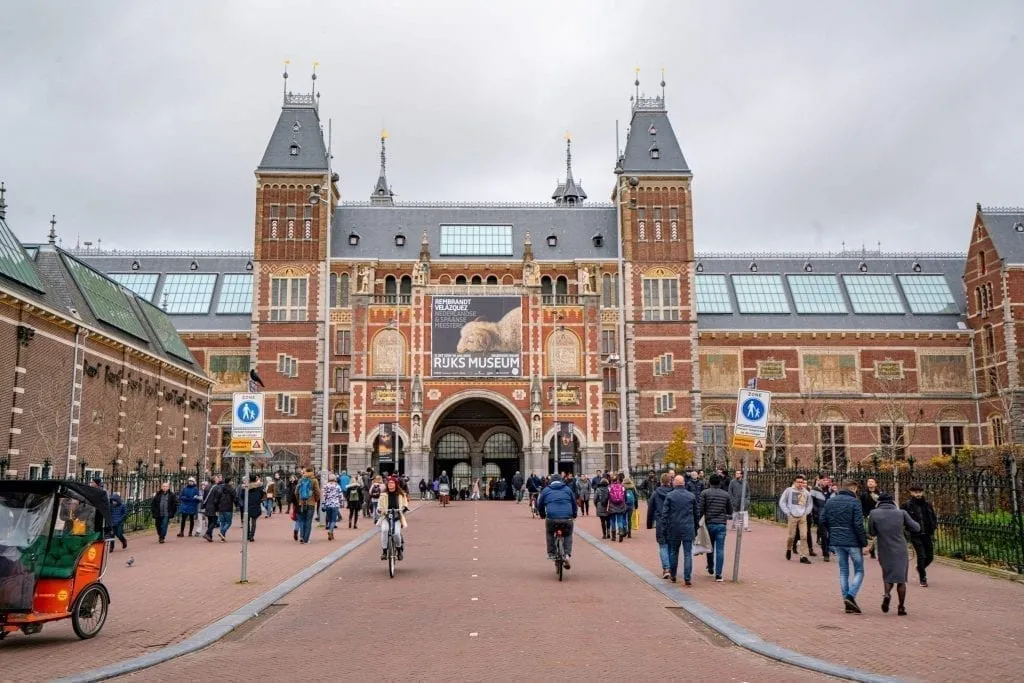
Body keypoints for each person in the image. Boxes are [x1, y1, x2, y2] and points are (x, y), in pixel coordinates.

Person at [820, 479, 868, 614]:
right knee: (859, 570)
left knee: (843, 571)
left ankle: (847, 601)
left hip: (837, 540)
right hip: (852, 541)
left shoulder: (830, 501)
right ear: (853, 488)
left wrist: (832, 531)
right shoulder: (855, 502)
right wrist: (863, 542)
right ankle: (850, 596)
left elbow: (822, 520)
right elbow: (858, 524)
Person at [868, 493, 920, 616]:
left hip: (884, 549)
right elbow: (916, 528)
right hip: (900, 549)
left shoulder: (874, 513)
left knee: (888, 575)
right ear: (892, 502)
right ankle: (901, 607)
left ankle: (887, 594)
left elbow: (871, 532)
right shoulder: (901, 513)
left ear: (879, 502)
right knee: (901, 580)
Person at [659, 475, 699, 585]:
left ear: (674, 483)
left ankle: (673, 575)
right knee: (687, 553)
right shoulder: (691, 496)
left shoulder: (670, 496)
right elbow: (696, 513)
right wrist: (696, 527)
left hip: (674, 527)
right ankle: (687, 577)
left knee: (674, 552)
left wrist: (664, 528)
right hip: (688, 527)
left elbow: (665, 514)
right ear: (684, 483)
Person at [536, 474, 578, 569]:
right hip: (567, 517)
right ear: (561, 480)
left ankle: (551, 553)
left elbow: (540, 504)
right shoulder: (567, 489)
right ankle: (567, 555)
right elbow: (574, 503)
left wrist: (542, 515)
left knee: (550, 533)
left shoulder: (546, 490)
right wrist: (574, 514)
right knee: (567, 534)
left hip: (552, 518)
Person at [902, 483, 938, 587]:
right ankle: (923, 578)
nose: (918, 494)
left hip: (927, 533)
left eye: (920, 492)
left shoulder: (927, 504)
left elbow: (933, 517)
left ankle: (920, 568)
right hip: (915, 535)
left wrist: (934, 526)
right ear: (911, 493)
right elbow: (903, 519)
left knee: (930, 556)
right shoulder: (907, 505)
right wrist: (908, 530)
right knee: (921, 555)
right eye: (915, 492)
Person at [700, 473, 734, 581]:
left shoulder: (704, 493)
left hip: (709, 523)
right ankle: (719, 574)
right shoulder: (725, 494)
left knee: (710, 547)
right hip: (721, 524)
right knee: (720, 549)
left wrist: (699, 521)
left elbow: (701, 509)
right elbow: (730, 511)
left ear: (709, 482)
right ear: (719, 482)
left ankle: (710, 566)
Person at [779, 474, 814, 563]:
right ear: (794, 482)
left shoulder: (806, 493)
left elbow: (809, 504)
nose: (800, 484)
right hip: (792, 516)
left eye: (801, 482)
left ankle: (803, 556)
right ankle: (789, 549)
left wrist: (806, 513)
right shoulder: (789, 491)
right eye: (798, 482)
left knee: (804, 536)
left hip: (802, 516)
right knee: (791, 536)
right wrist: (787, 512)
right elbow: (782, 502)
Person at [646, 472, 673, 578]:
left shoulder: (656, 493)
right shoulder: (673, 492)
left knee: (663, 546)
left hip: (661, 522)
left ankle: (666, 568)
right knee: (671, 546)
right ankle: (672, 567)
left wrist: (649, 524)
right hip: (672, 522)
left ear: (661, 481)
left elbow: (650, 510)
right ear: (670, 481)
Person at [378, 477, 409, 561]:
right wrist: (379, 509)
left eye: (392, 483)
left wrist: (404, 508)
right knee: (384, 530)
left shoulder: (401, 495)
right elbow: (379, 506)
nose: (390, 484)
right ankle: (384, 551)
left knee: (396, 533)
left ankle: (399, 550)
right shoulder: (383, 495)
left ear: (395, 484)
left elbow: (405, 504)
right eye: (389, 483)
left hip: (397, 516)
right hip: (386, 516)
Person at [295, 468, 321, 544]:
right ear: (312, 472)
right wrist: (315, 500)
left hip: (301, 503)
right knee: (308, 521)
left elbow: (296, 491)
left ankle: (301, 537)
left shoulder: (301, 480)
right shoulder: (314, 480)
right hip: (311, 504)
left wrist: (299, 500)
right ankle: (306, 540)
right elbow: (317, 492)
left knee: (302, 520)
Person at [237, 474, 264, 542]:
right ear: (255, 479)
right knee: (254, 522)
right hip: (256, 505)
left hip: (247, 505)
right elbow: (262, 495)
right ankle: (252, 536)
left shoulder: (246, 487)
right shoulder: (259, 487)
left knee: (247, 521)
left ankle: (247, 535)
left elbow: (242, 496)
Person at [860, 477, 882, 559]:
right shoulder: (863, 494)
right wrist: (865, 514)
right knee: (869, 533)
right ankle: (871, 549)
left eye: (872, 481)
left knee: (878, 534)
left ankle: (872, 549)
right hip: (867, 516)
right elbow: (861, 506)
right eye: (868, 481)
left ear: (876, 484)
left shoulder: (880, 494)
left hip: (878, 516)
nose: (870, 483)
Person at [606, 474, 629, 542]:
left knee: (613, 521)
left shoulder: (609, 487)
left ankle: (613, 537)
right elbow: (625, 496)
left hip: (612, 505)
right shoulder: (622, 486)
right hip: (621, 505)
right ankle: (621, 532)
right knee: (620, 520)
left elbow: (607, 497)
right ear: (618, 480)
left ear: (611, 480)